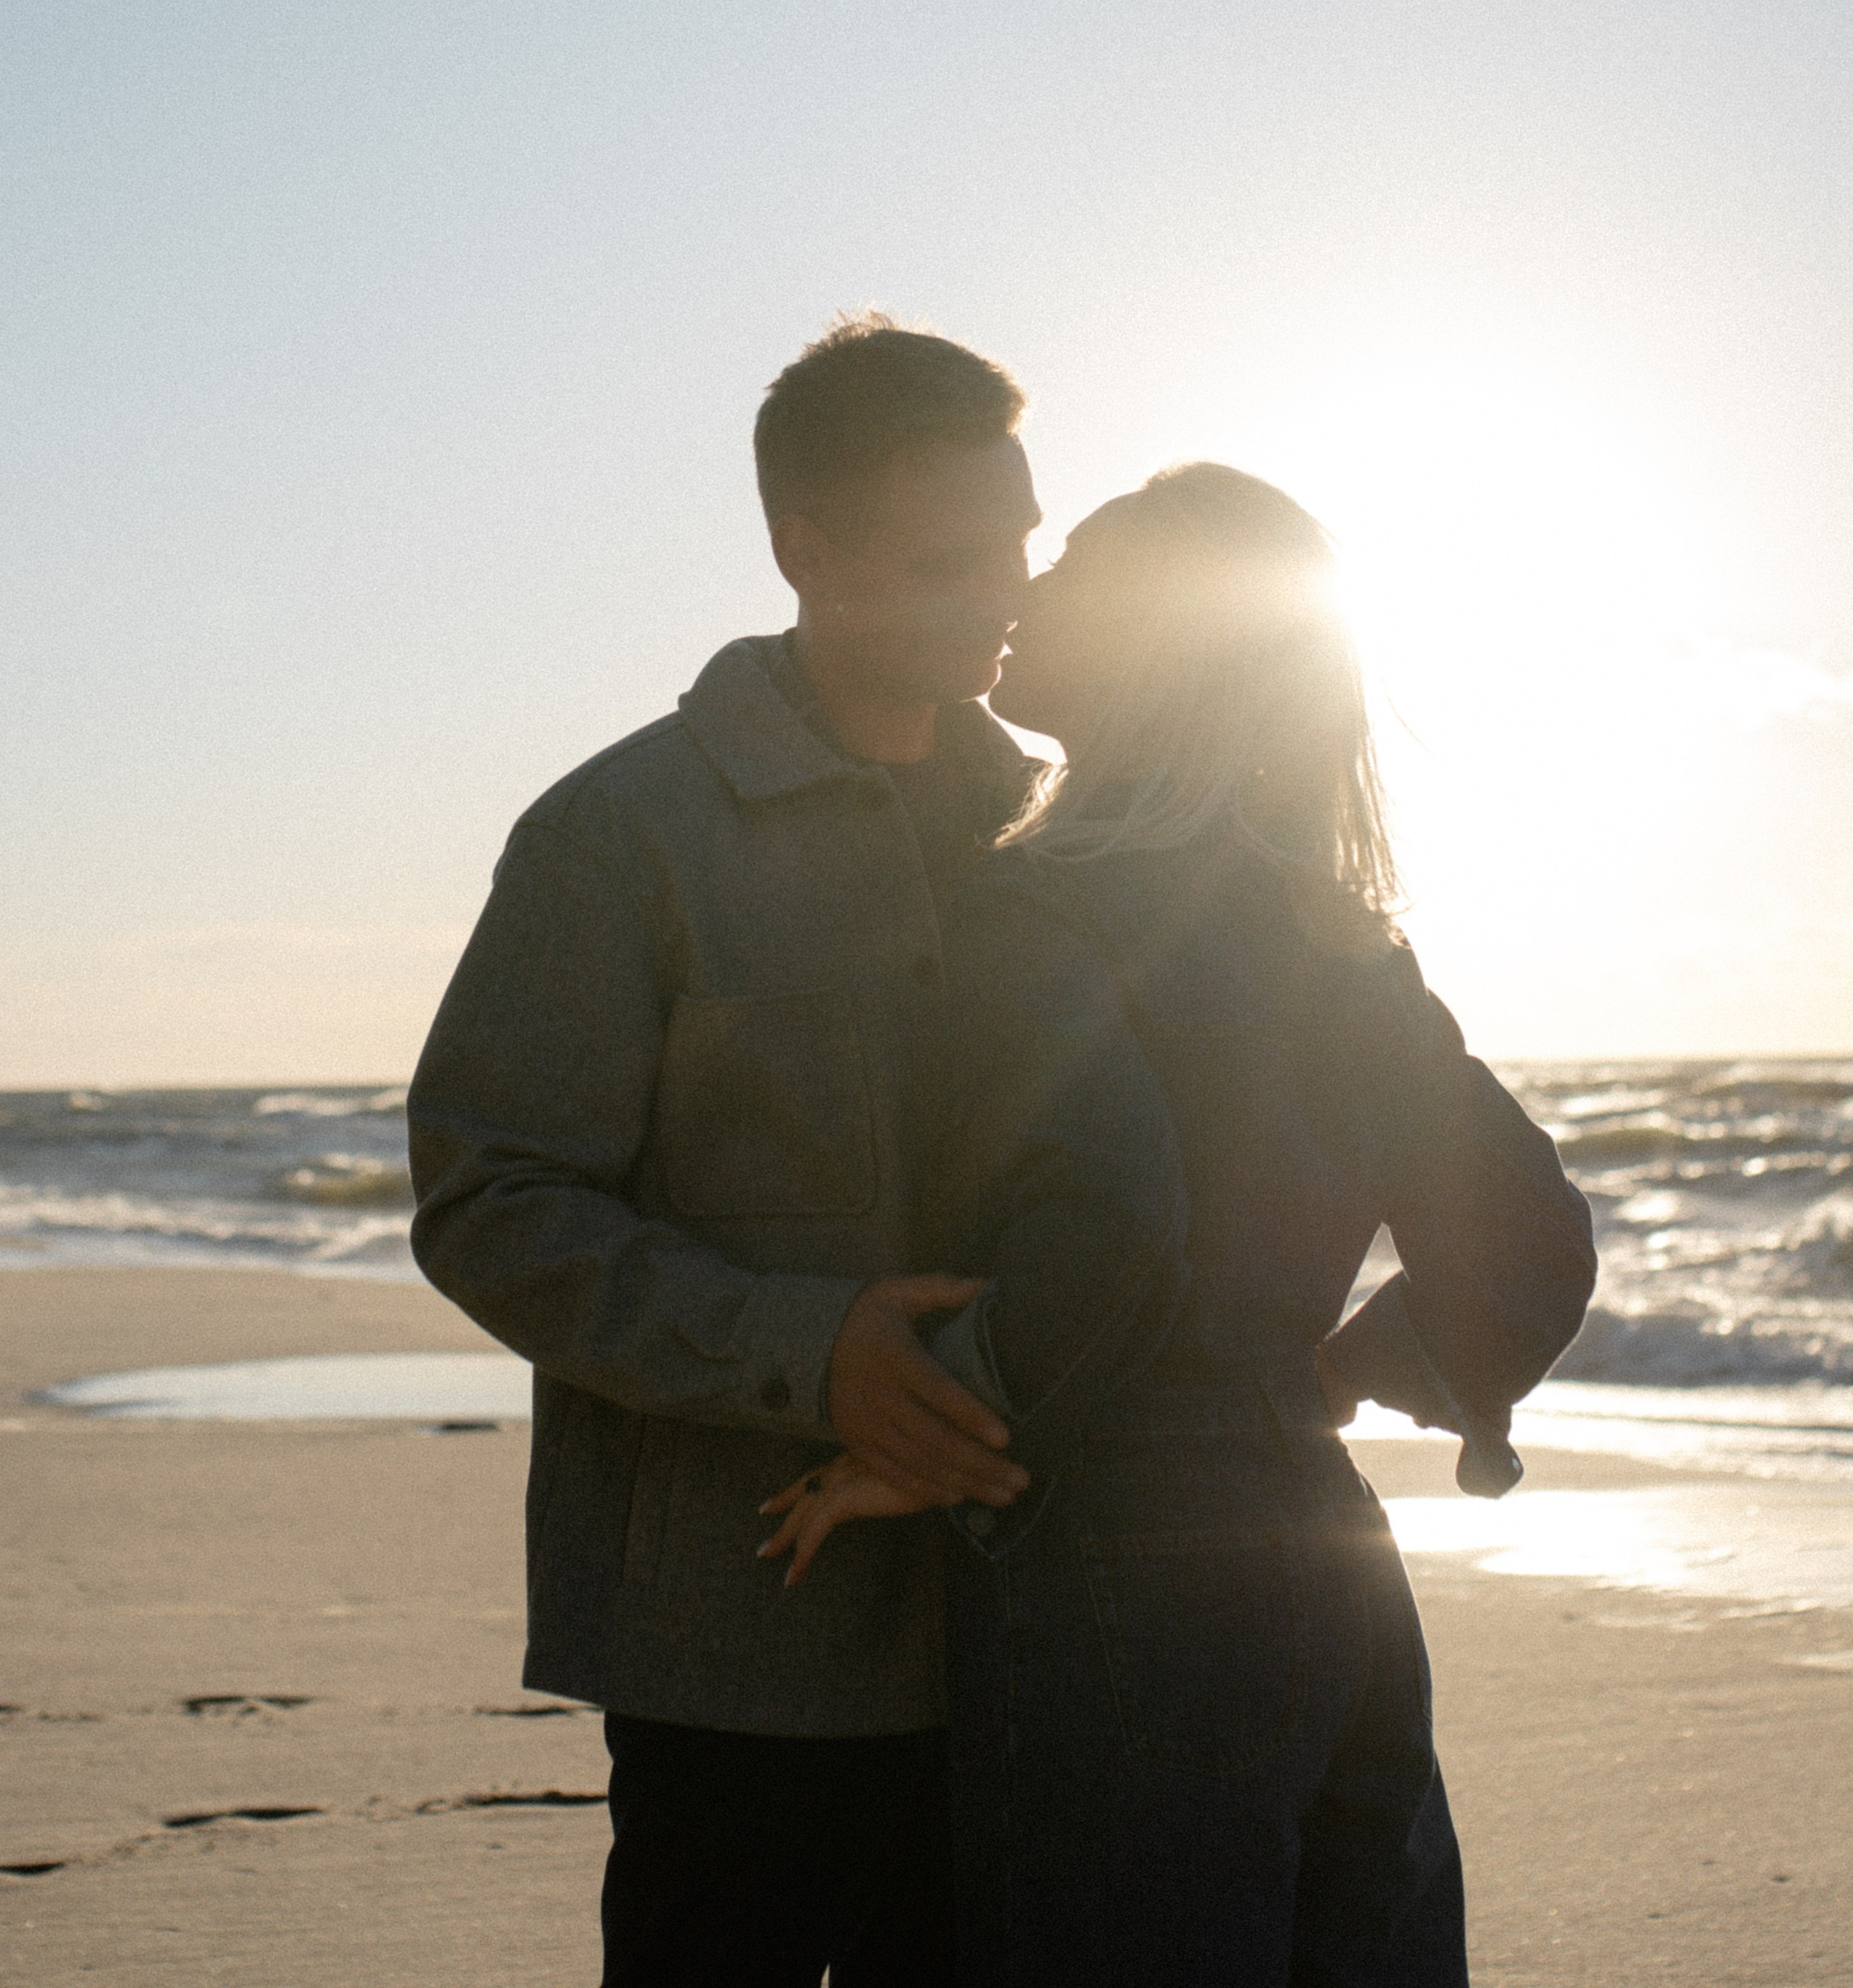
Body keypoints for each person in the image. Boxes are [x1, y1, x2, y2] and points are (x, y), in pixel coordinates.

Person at [761, 462, 1597, 1987]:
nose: (1027, 592)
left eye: (1072, 567)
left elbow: (1110, 1238)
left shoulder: (1033, 911)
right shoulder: (1334, 937)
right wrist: (1324, 1381)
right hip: (1327, 1554)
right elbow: (1532, 1245)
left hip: (1112, 1559)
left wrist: (935, 1441)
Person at [406, 316, 1047, 1988]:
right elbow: (490, 1198)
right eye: (952, 558)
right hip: (729, 1650)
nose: (1009, 592)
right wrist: (800, 1349)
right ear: (802, 552)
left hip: (1028, 1629)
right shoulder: (616, 836)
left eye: (1022, 542)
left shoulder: (1060, 839)